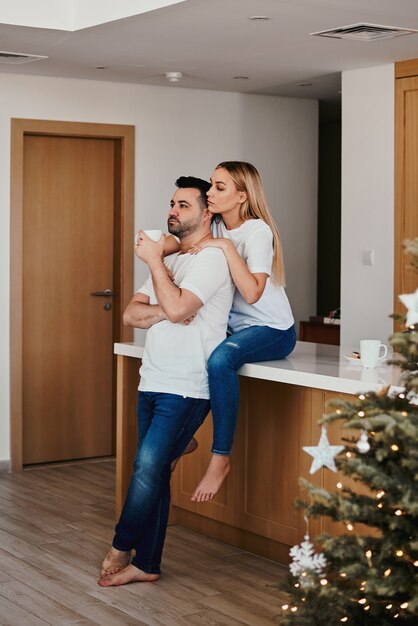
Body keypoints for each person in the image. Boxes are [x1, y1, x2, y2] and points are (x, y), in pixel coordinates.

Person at [99, 176, 234, 587]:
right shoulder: (172, 260)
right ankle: (149, 564)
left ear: (207, 212)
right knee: (154, 473)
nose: (172, 211)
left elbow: (177, 310)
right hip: (153, 378)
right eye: (171, 204)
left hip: (187, 385)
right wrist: (167, 306)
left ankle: (122, 546)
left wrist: (156, 266)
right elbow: (130, 316)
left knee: (145, 469)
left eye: (183, 205)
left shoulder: (211, 260)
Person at [188, 161, 296, 502]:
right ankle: (184, 434)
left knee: (220, 362)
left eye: (220, 187)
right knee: (193, 352)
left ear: (242, 196)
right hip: (236, 328)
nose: (210, 192)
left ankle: (220, 458)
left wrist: (225, 247)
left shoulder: (257, 232)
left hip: (273, 330)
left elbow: (252, 292)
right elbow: (182, 245)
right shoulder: (215, 224)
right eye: (211, 185)